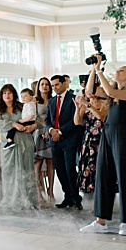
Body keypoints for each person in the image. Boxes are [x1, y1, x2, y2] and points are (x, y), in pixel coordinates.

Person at [81, 56, 126, 236]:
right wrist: (94, 68)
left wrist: (100, 71)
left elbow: (112, 93)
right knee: (103, 176)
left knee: (124, 177)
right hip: (107, 133)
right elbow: (89, 91)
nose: (117, 72)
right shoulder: (111, 92)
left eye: (121, 71)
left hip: (123, 135)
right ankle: (100, 221)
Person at [0, 84, 39, 210]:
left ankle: (28, 200)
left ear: (14, 94)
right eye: (4, 93)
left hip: (25, 142)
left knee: (26, 170)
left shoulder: (22, 105)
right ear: (1, 95)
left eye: (10, 93)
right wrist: (13, 124)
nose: (7, 95)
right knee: (9, 171)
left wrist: (33, 126)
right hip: (8, 144)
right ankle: (10, 199)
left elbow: (37, 119)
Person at [46, 74, 83, 210]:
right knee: (60, 170)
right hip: (55, 141)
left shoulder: (73, 99)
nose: (54, 88)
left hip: (69, 139)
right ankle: (67, 197)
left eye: (57, 85)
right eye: (53, 86)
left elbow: (75, 121)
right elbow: (47, 120)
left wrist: (59, 132)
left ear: (64, 84)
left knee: (70, 169)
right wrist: (51, 131)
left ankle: (75, 197)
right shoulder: (51, 101)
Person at [74, 68, 108, 197]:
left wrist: (88, 104)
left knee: (101, 169)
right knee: (88, 167)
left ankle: (103, 198)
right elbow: (77, 122)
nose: (93, 96)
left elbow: (100, 116)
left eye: (96, 95)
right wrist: (78, 109)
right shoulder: (86, 104)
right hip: (88, 140)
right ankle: (92, 196)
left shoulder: (106, 105)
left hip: (102, 140)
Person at [33, 77, 55, 203]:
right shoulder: (35, 101)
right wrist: (45, 127)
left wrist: (50, 129)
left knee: (51, 162)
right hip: (39, 132)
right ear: (38, 86)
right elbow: (34, 117)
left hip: (50, 132)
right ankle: (38, 192)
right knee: (38, 163)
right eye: (42, 84)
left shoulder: (53, 100)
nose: (44, 86)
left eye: (47, 84)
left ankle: (50, 190)